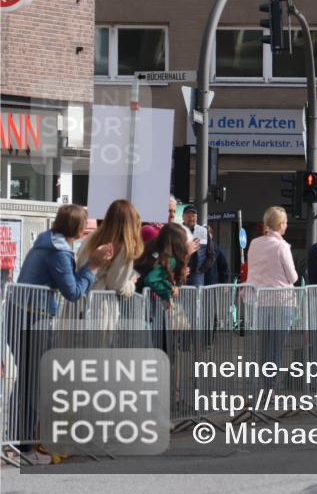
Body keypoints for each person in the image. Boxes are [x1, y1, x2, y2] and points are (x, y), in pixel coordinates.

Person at [7, 205, 114, 465]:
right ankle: (25, 447)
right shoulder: (59, 252)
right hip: (35, 318)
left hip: (22, 315)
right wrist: (93, 265)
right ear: (78, 230)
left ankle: (18, 441)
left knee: (28, 380)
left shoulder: (45, 243)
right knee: (35, 383)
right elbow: (73, 292)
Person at [246, 207, 299, 367]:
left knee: (264, 345)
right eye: (285, 222)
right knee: (276, 347)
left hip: (259, 300)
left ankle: (265, 383)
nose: (287, 226)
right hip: (281, 301)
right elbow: (292, 276)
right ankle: (271, 386)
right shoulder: (281, 246)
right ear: (280, 224)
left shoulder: (255, 243)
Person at [76, 199, 144, 298]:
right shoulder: (125, 247)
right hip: (99, 305)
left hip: (79, 297)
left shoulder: (92, 237)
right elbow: (116, 285)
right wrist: (131, 283)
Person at [135, 223, 191, 305]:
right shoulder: (168, 258)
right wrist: (167, 293)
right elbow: (151, 279)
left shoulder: (149, 247)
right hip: (141, 299)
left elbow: (156, 277)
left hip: (132, 296)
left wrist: (169, 287)